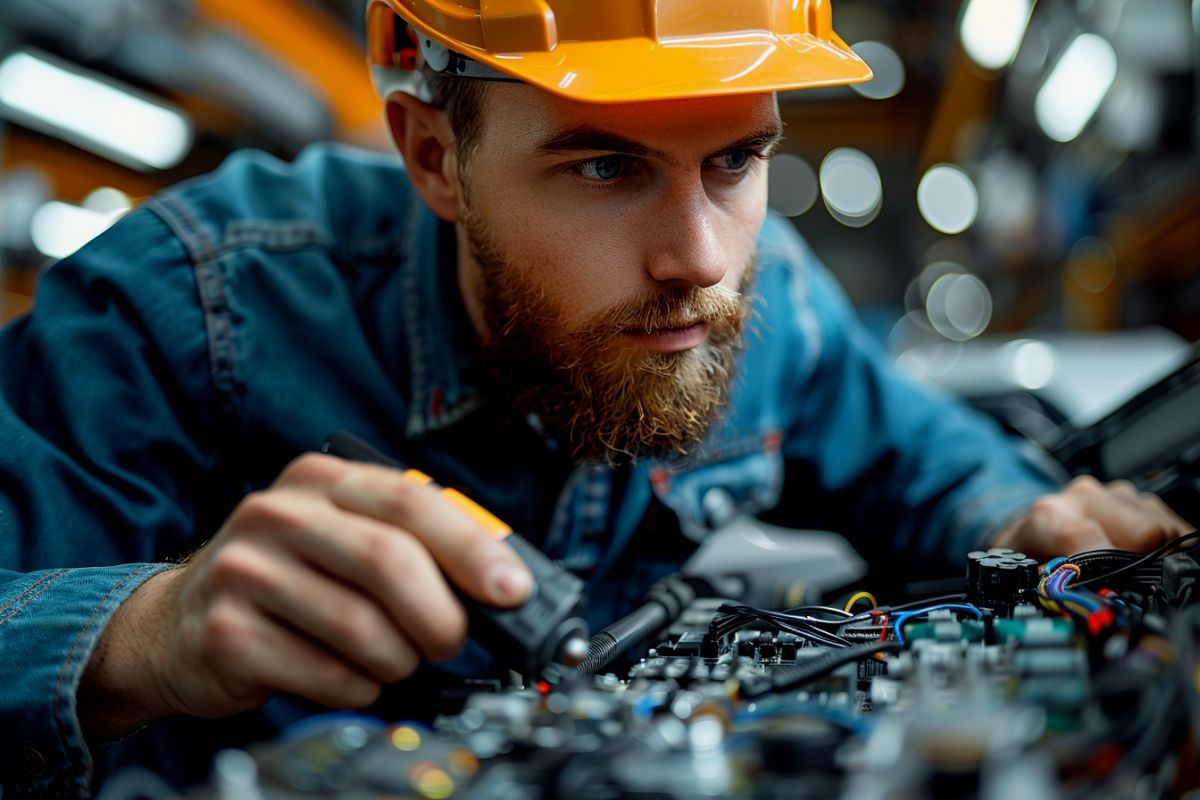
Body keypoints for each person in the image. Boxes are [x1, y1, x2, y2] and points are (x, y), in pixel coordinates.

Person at [0, 0, 1191, 795]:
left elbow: (924, 454)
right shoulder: (189, 299)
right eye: (605, 165)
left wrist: (1018, 520)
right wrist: (150, 632)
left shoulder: (774, 306)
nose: (701, 260)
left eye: (735, 159)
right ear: (434, 157)